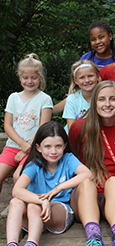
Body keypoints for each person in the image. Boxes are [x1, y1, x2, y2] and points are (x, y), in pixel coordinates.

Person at [69, 81, 115, 246]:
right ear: (94, 103)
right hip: (84, 197)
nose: (107, 104)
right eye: (101, 99)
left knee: (113, 181)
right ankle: (94, 238)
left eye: (113, 99)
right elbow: (69, 162)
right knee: (86, 182)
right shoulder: (79, 128)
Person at [6, 121, 92, 246]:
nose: (53, 151)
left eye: (58, 146)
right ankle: (12, 243)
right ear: (38, 147)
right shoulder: (34, 164)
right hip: (33, 216)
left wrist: (58, 188)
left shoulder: (68, 159)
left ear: (64, 145)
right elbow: (17, 190)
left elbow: (88, 174)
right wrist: (42, 201)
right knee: (17, 202)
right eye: (47, 147)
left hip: (58, 212)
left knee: (33, 206)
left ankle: (31, 243)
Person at [0, 53, 53, 192]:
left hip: (34, 147)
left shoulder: (45, 99)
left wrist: (27, 149)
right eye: (25, 77)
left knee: (19, 177)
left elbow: (43, 128)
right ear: (20, 78)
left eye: (34, 78)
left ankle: (22, 210)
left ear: (40, 78)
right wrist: (22, 145)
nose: (29, 81)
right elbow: (7, 125)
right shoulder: (13, 98)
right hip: (13, 145)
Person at [53, 21, 115, 115]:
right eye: (93, 39)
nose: (97, 42)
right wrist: (50, 111)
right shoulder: (86, 58)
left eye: (101, 37)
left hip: (107, 107)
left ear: (110, 36)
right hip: (84, 105)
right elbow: (77, 91)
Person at [62, 60, 101, 132]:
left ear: (97, 76)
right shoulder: (72, 99)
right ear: (75, 80)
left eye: (90, 76)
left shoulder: (103, 97)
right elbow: (71, 128)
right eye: (82, 77)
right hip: (75, 137)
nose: (87, 80)